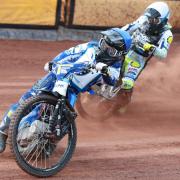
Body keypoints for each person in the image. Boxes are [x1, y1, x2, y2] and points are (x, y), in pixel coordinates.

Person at [0, 28, 132, 153]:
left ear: (119, 54)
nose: (104, 49)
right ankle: (2, 132)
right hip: (57, 77)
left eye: (110, 50)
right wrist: (54, 63)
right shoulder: (90, 47)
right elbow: (68, 53)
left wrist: (106, 70)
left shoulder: (117, 64)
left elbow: (113, 79)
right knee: (26, 101)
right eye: (104, 44)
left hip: (72, 90)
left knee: (64, 119)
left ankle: (49, 143)